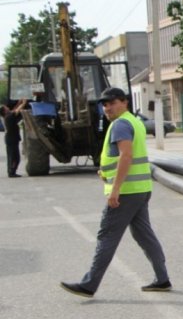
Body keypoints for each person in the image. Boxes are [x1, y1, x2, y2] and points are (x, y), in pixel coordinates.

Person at [60, 88, 171, 298]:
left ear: (124, 102)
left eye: (111, 103)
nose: (107, 108)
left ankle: (89, 284)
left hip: (127, 192)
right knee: (144, 235)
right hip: (141, 188)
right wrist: (107, 173)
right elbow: (124, 157)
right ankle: (162, 279)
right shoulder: (133, 121)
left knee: (107, 236)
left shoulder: (120, 124)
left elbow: (126, 156)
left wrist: (115, 190)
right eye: (104, 104)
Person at [1, 98, 27, 178]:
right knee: (14, 157)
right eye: (6, 108)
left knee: (12, 156)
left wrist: (19, 103)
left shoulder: (7, 116)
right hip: (11, 139)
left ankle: (11, 171)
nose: (8, 108)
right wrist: (23, 103)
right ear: (5, 111)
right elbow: (17, 111)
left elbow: (14, 110)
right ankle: (11, 172)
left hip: (11, 139)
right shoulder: (9, 117)